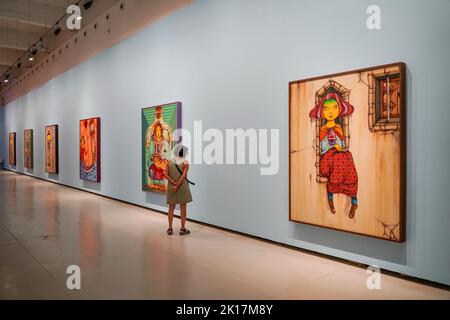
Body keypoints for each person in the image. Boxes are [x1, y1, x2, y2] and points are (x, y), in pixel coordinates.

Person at [309, 92, 358, 219]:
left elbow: (342, 144)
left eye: (334, 107)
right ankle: (331, 197)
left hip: (339, 155)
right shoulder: (323, 129)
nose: (330, 111)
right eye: (326, 108)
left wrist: (340, 147)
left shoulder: (339, 128)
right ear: (322, 111)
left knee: (348, 157)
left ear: (339, 110)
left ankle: (354, 201)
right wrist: (332, 147)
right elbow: (323, 148)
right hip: (328, 157)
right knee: (338, 159)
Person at [163, 144, 193, 235]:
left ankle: (170, 228)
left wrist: (172, 182)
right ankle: (182, 229)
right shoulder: (185, 162)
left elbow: (165, 174)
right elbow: (183, 176)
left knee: (171, 208)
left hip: (171, 187)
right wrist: (178, 185)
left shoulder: (169, 162)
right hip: (182, 187)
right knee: (183, 208)